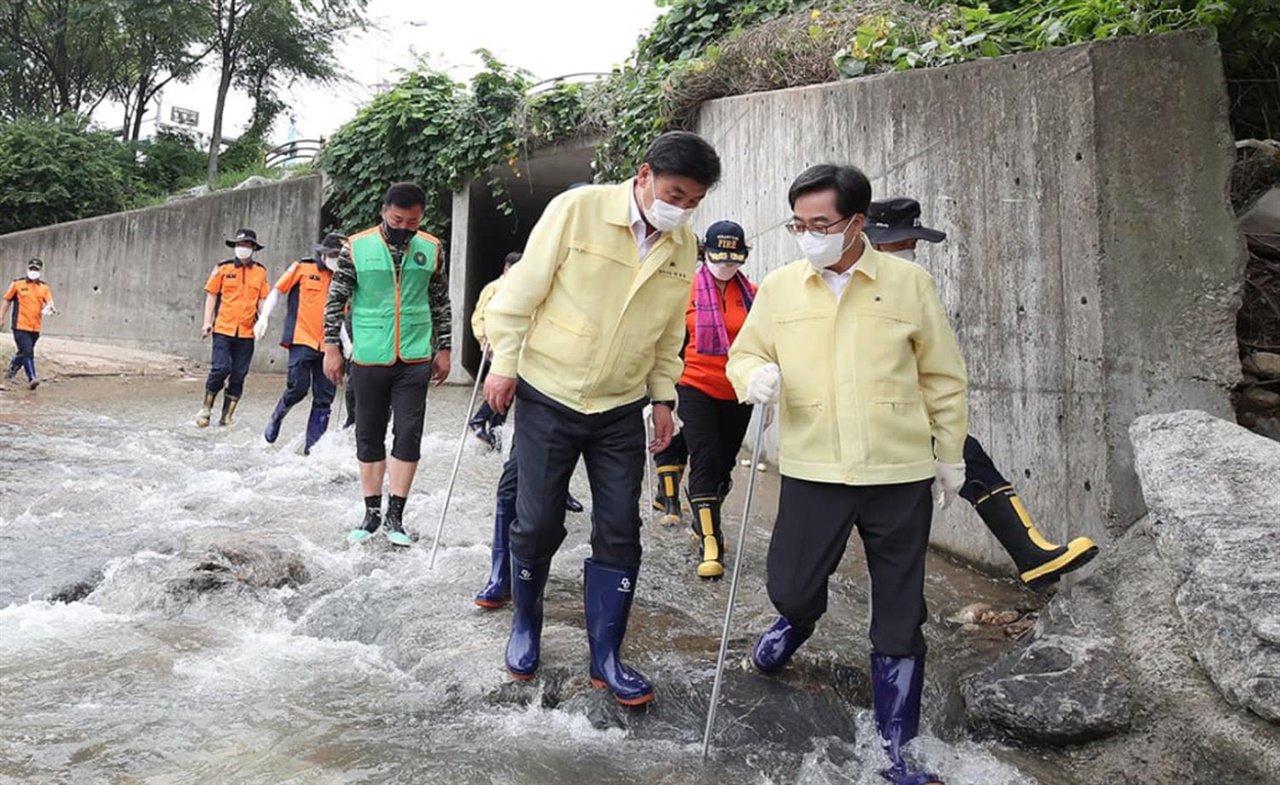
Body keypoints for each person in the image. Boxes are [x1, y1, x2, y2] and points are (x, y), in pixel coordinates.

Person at [727, 164, 967, 785]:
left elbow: (942, 374)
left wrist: (950, 455)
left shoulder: (908, 284)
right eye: (798, 224)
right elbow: (745, 352)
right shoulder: (781, 288)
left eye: (821, 223)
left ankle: (896, 749)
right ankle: (795, 620)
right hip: (814, 467)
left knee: (900, 604)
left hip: (899, 469)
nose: (807, 235)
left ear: (856, 222)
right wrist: (753, 377)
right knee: (793, 582)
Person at [482, 131, 721, 706]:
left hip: (620, 406)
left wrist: (663, 398)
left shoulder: (682, 246)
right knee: (536, 522)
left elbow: (669, 334)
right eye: (674, 193)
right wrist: (505, 365)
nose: (682, 208)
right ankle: (526, 626)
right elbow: (520, 295)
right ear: (644, 176)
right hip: (549, 392)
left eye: (694, 201)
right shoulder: (577, 210)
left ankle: (606, 656)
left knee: (620, 529)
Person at [865, 197, 1097, 589]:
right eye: (900, 243)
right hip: (871, 419)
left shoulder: (911, 285)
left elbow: (931, 359)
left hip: (911, 410)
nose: (910, 251)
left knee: (966, 460)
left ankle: (1030, 554)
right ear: (872, 241)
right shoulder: (855, 286)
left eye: (913, 244)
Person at [322, 182, 452, 548]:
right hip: (369, 354)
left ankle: (396, 515)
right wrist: (331, 347)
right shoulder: (356, 247)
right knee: (368, 433)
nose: (405, 228)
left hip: (414, 356)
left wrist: (445, 348)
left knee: (408, 434)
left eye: (413, 221)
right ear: (384, 212)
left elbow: (440, 302)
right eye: (398, 219)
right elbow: (336, 300)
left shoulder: (431, 248)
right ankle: (371, 512)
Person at [655, 221, 758, 579]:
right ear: (705, 254)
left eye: (734, 258)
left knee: (724, 466)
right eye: (720, 257)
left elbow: (765, 342)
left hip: (738, 390)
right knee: (705, 456)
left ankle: (705, 519)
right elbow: (668, 344)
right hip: (694, 383)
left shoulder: (755, 296)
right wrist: (661, 396)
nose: (726, 265)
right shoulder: (685, 292)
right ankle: (710, 543)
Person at [255, 233, 344, 454]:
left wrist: (348, 346)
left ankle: (312, 451)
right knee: (298, 388)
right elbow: (277, 290)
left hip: (330, 346)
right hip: (302, 338)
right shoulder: (303, 268)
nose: (335, 259)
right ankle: (278, 416)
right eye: (332, 255)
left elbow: (343, 316)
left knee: (324, 398)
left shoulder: (344, 279)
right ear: (323, 254)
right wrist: (264, 317)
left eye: (339, 256)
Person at [198, 229, 270, 427]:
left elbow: (263, 299)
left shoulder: (260, 272)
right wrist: (207, 322)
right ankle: (206, 408)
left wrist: (263, 320)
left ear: (253, 248)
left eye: (247, 245)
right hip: (223, 328)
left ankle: (226, 417)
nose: (243, 248)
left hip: (247, 332)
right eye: (240, 245)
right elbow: (212, 295)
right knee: (221, 369)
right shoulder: (222, 268)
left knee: (239, 374)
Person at [467, 251, 521, 451]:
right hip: (496, 345)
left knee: (511, 388)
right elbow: (478, 316)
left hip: (514, 347)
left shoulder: (521, 289)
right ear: (507, 268)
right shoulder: (494, 288)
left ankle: (496, 428)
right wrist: (484, 339)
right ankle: (479, 420)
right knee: (504, 384)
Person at [1, 258, 57, 390]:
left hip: (35, 327)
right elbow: (7, 300)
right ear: (27, 268)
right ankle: (32, 378)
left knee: (23, 352)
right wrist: (1, 317)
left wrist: (51, 307)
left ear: (40, 271)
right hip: (20, 325)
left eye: (36, 269)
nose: (34, 271)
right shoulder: (17, 284)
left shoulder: (44, 287)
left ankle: (10, 373)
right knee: (28, 352)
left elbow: (49, 301)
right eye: (32, 268)